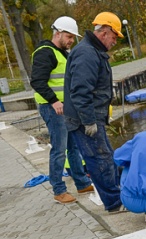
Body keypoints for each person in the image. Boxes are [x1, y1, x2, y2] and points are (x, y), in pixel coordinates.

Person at [63, 12, 125, 213]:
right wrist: (89, 121)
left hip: (91, 117)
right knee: (99, 160)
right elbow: (81, 91)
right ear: (105, 32)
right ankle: (114, 203)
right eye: (114, 37)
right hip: (85, 121)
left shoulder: (92, 51)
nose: (115, 42)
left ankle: (117, 196)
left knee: (106, 157)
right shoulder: (87, 53)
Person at [30, 16, 94, 204]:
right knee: (59, 149)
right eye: (69, 36)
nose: (71, 41)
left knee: (73, 147)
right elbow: (37, 81)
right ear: (58, 33)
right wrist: (54, 101)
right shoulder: (45, 52)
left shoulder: (61, 53)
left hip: (65, 108)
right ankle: (59, 190)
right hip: (53, 108)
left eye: (73, 37)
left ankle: (81, 182)